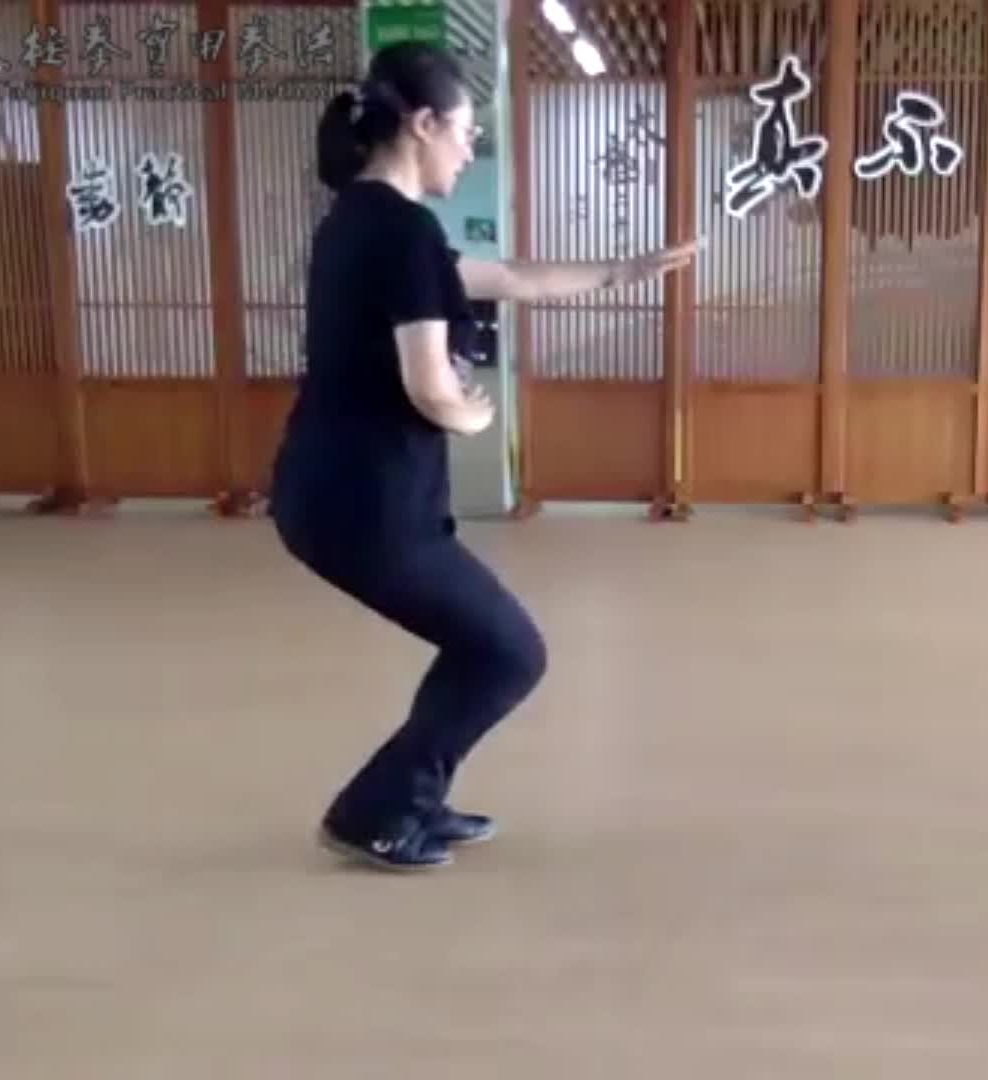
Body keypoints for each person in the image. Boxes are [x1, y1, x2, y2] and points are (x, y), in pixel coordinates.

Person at [273, 42, 697, 872]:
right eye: (467, 132)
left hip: (339, 494)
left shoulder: (364, 221)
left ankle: (408, 799)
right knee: (509, 652)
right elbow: (429, 384)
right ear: (422, 125)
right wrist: (470, 415)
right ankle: (374, 811)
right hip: (364, 506)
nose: (470, 150)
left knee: (482, 646)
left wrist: (624, 271)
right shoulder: (399, 230)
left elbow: (511, 278)